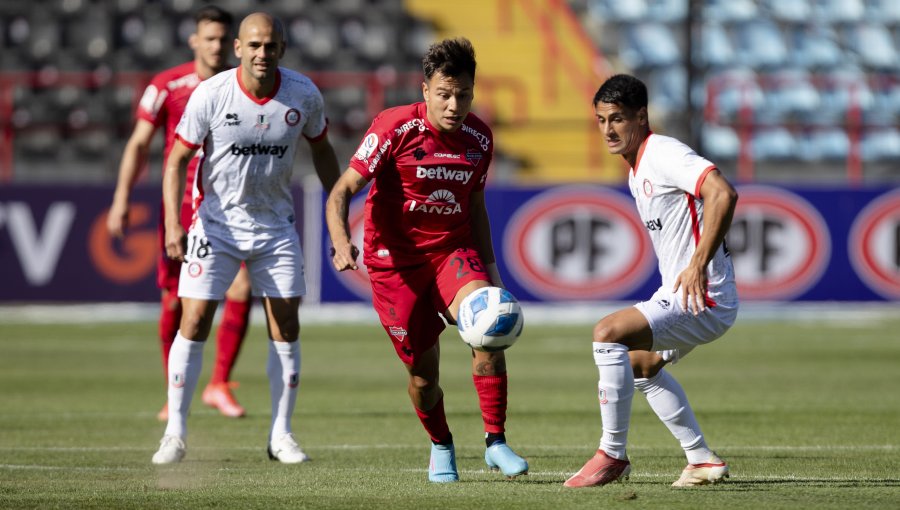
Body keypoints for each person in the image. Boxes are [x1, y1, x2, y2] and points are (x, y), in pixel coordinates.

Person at [325, 37, 528, 483]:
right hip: (395, 265)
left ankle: (496, 442)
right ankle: (441, 445)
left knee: (489, 331)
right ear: (425, 90)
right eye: (445, 94)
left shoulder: (479, 138)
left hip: (452, 253)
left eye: (464, 94)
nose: (454, 105)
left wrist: (492, 275)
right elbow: (341, 191)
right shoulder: (393, 128)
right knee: (422, 376)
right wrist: (342, 243)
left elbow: (475, 208)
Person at [151, 12, 340, 465]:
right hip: (215, 225)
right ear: (238, 48)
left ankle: (281, 436)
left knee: (287, 326)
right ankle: (174, 433)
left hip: (276, 228)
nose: (262, 54)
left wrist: (338, 218)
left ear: (282, 48)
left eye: (270, 46)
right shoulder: (211, 95)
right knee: (193, 321)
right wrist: (174, 225)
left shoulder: (303, 94)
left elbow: (323, 150)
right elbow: (176, 159)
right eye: (253, 45)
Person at [564, 74, 739, 488]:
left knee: (607, 333)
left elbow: (723, 193)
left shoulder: (663, 152)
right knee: (640, 364)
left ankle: (612, 454)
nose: (608, 130)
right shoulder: (637, 168)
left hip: (702, 296)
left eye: (618, 119)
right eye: (601, 120)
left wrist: (697, 263)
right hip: (691, 295)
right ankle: (701, 460)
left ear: (641, 117)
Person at [107, 5, 250, 421]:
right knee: (176, 301)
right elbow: (139, 144)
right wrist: (122, 199)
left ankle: (219, 383)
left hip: (229, 208)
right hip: (182, 209)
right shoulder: (167, 85)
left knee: (241, 289)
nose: (217, 46)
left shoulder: (243, 85)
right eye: (210, 38)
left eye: (224, 39)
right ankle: (176, 391)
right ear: (194, 41)